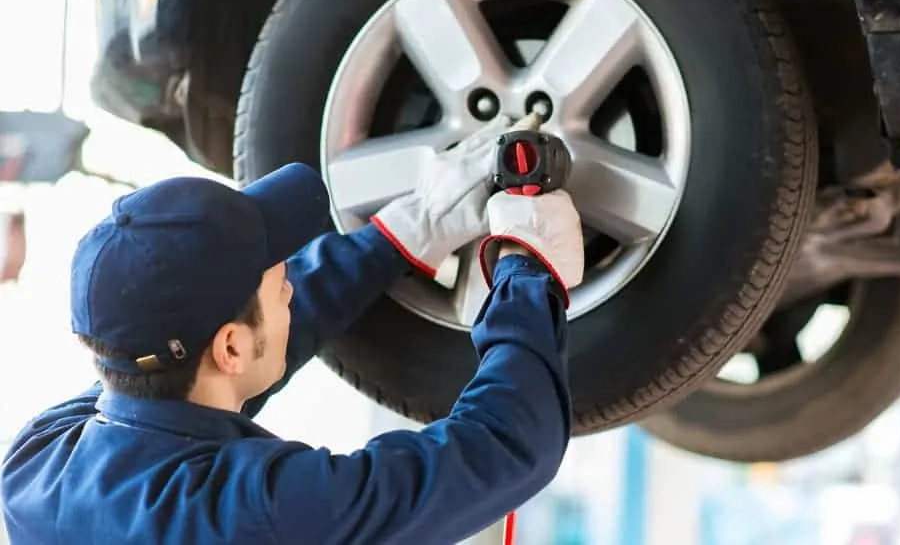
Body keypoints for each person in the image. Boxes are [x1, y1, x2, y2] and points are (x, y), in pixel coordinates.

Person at [0, 115, 584, 544]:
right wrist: (526, 269)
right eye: (278, 281)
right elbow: (506, 447)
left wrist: (399, 236)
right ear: (229, 347)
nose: (290, 287)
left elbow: (225, 358)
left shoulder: (38, 463)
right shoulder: (252, 517)